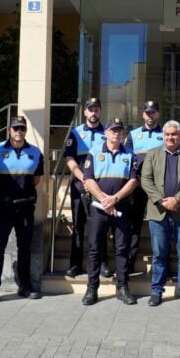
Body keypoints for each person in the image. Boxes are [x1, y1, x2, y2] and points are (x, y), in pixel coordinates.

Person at [0, 115, 44, 304]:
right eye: (15, 128)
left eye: (22, 128)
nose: (19, 132)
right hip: (3, 208)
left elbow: (36, 179)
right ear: (9, 130)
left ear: (25, 131)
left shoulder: (35, 152)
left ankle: (25, 286)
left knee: (24, 248)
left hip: (25, 207)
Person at [141, 121, 180, 307]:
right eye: (167, 134)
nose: (170, 137)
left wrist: (177, 199)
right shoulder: (152, 154)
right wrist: (161, 200)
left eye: (174, 134)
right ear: (163, 136)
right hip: (158, 212)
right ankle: (156, 291)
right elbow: (146, 180)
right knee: (159, 253)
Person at [81, 117, 139, 305]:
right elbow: (88, 179)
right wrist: (105, 200)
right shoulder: (94, 152)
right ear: (105, 132)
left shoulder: (130, 154)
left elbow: (134, 181)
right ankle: (92, 288)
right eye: (113, 130)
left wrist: (115, 199)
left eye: (119, 130)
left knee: (122, 249)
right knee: (95, 248)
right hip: (99, 209)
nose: (116, 133)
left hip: (121, 207)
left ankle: (122, 287)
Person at [63, 97, 107, 278]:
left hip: (101, 188)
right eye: (90, 109)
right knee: (78, 225)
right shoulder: (75, 133)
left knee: (101, 226)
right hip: (80, 186)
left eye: (96, 109)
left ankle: (102, 262)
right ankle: (75, 264)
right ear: (85, 112)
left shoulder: (108, 132)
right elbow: (70, 159)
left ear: (100, 112)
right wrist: (83, 179)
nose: (93, 112)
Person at [125, 100, 164, 273]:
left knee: (162, 225)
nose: (150, 115)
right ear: (143, 115)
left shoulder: (166, 134)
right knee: (134, 225)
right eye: (147, 112)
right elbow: (126, 161)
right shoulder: (133, 135)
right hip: (138, 187)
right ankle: (130, 263)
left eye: (153, 112)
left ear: (158, 114)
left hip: (159, 188)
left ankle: (162, 267)